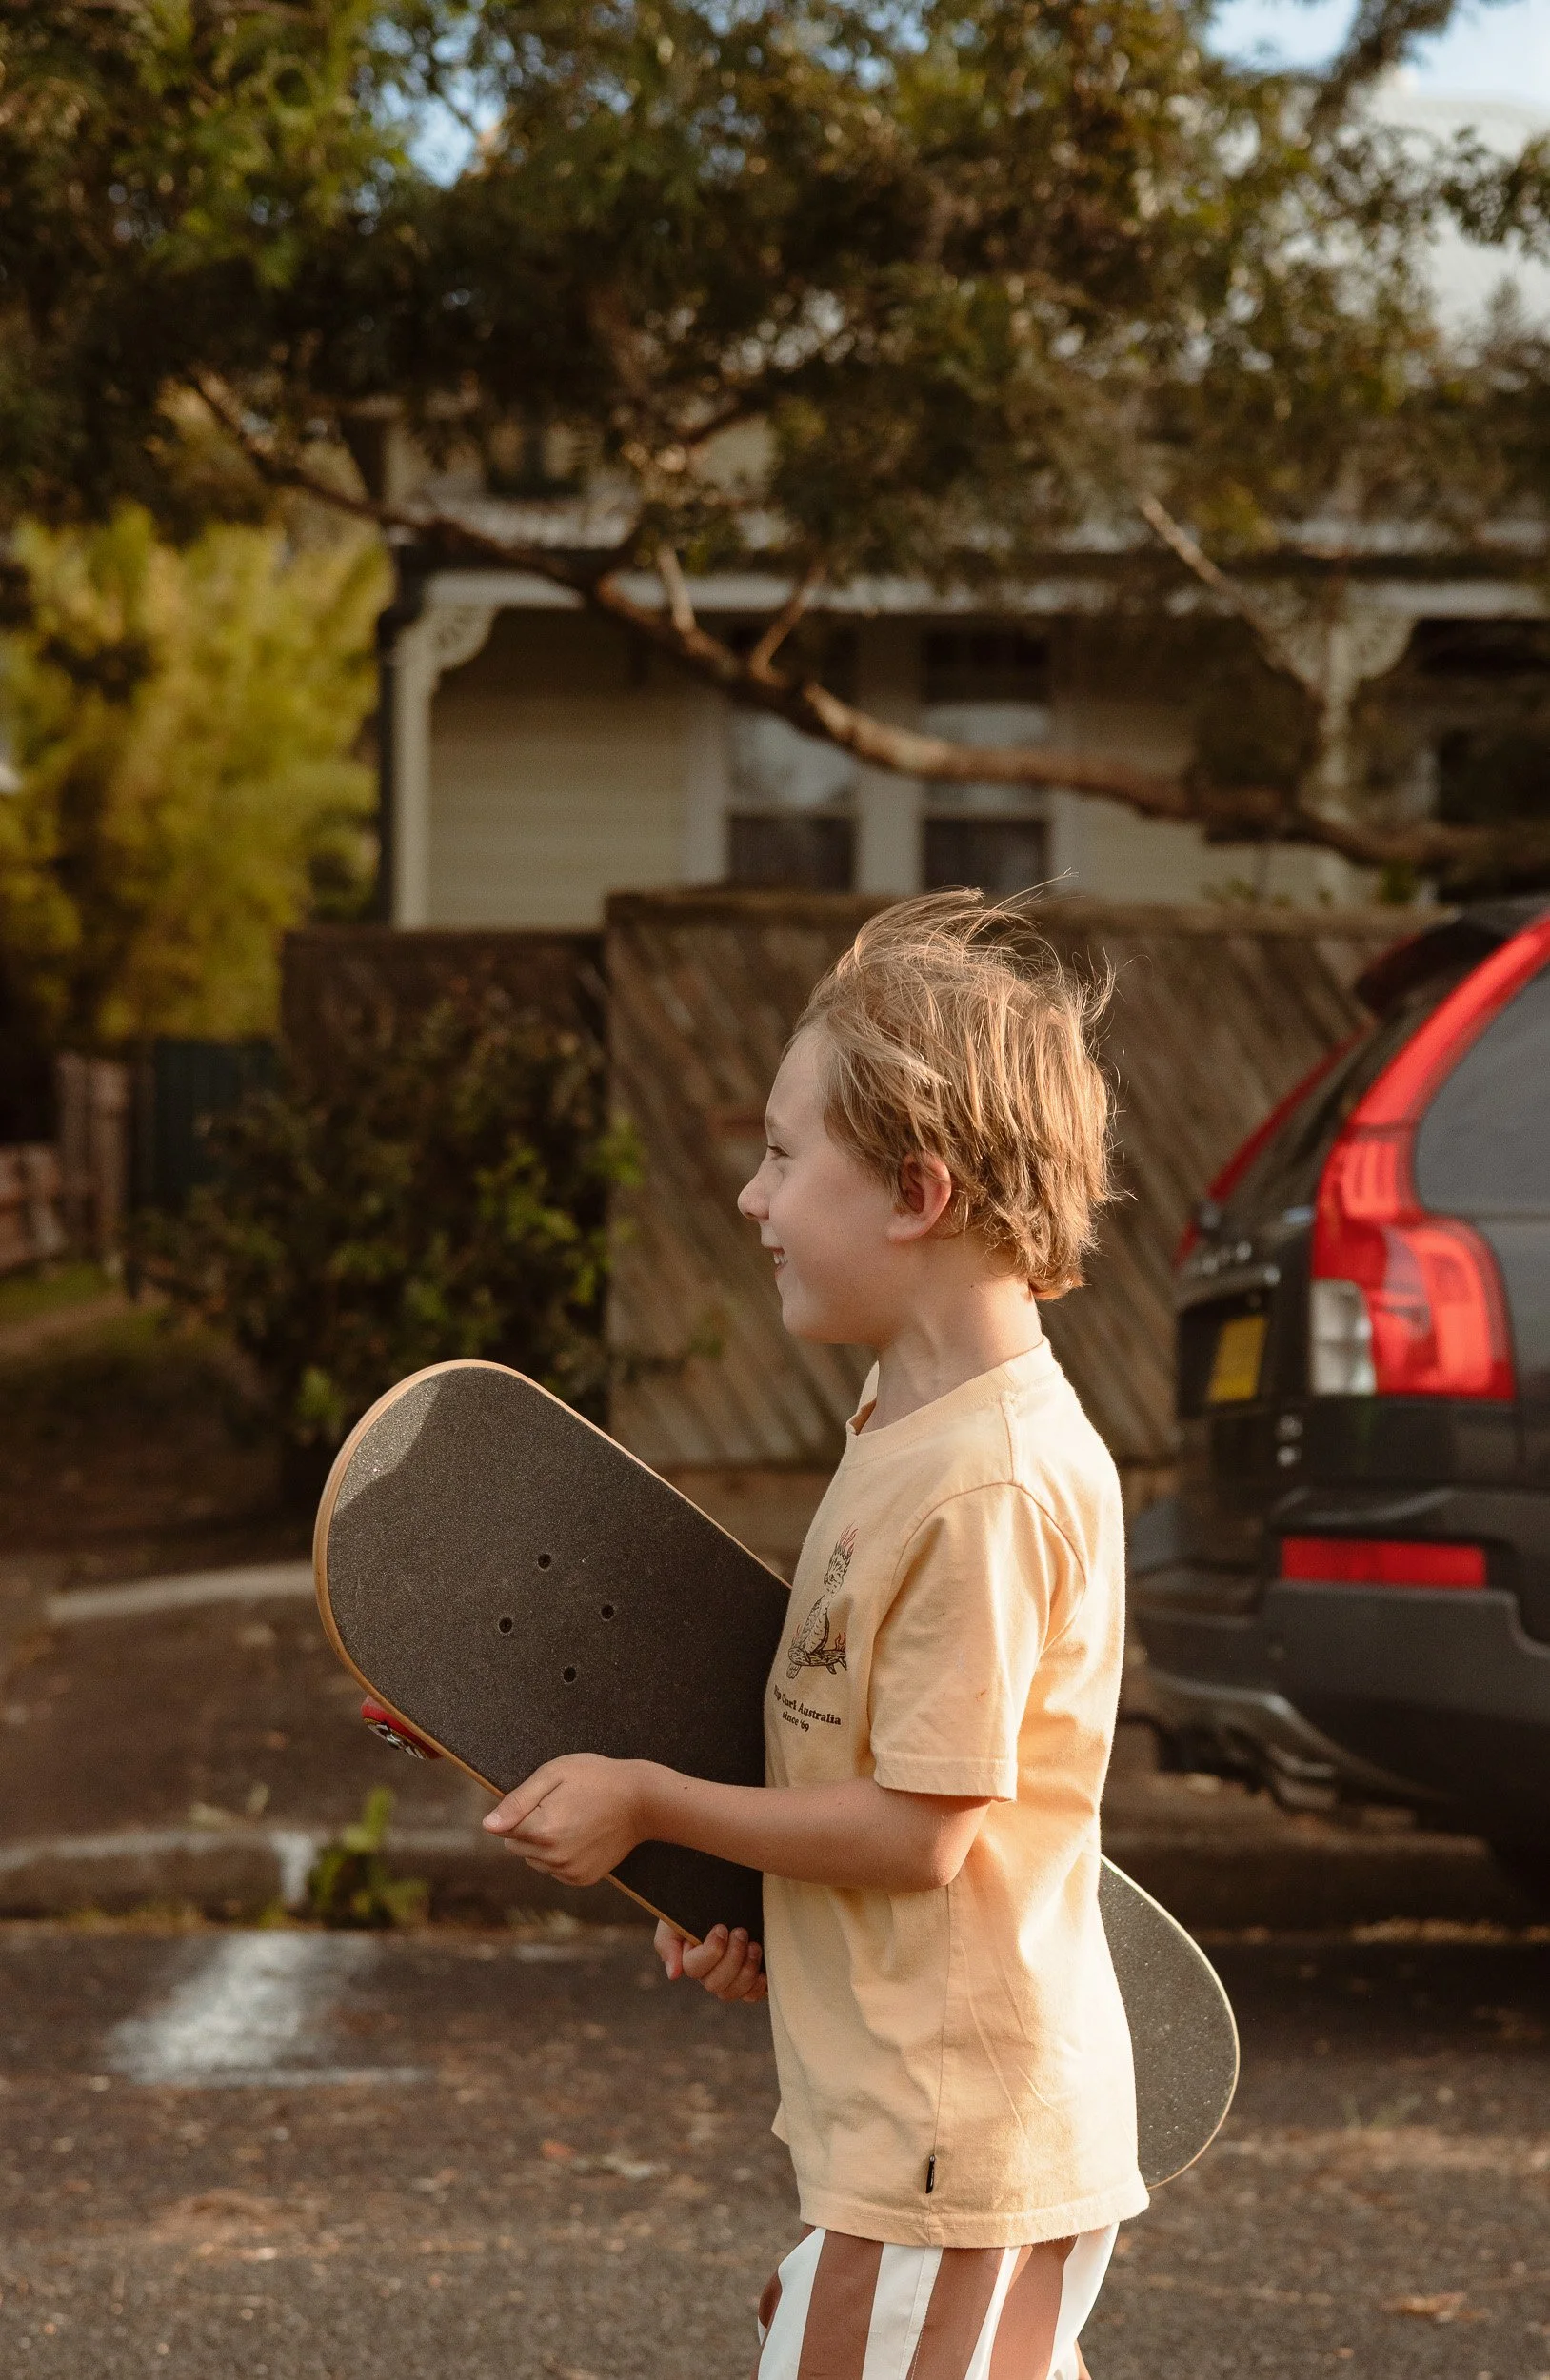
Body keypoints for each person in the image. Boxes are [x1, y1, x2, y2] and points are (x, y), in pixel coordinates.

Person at [484, 891, 1146, 2378]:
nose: (751, 1197)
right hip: (907, 2127)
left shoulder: (988, 1482)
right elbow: (863, 1767)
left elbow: (921, 1831)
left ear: (915, 1192)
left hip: (951, 2143)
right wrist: (766, 1911)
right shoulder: (903, 1421)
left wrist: (653, 1802)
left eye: (784, 1157)